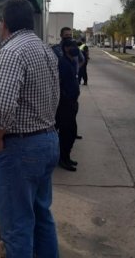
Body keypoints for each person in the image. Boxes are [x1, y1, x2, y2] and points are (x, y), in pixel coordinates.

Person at [0, 0, 61, 258]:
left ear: (3, 24)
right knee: (42, 216)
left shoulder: (10, 51)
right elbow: (55, 96)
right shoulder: (44, 49)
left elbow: (3, 107)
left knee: (16, 225)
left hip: (20, 147)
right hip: (47, 139)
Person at [56, 38, 80, 171]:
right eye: (72, 46)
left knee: (71, 132)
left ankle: (66, 156)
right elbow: (58, 82)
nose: (75, 48)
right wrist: (64, 96)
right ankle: (63, 159)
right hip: (65, 104)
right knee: (67, 133)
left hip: (72, 103)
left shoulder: (71, 62)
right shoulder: (63, 63)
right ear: (66, 48)